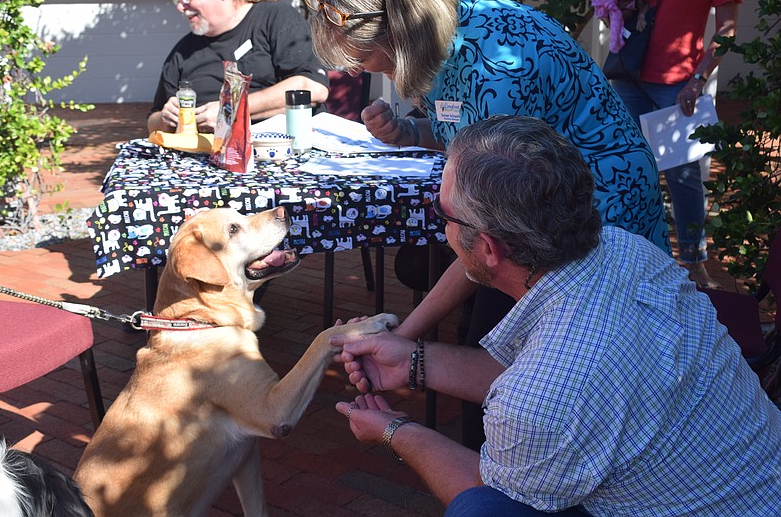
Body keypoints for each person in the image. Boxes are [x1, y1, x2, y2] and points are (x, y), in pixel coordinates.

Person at [304, 0, 671, 450]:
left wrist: (404, 335)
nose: (359, 70)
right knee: (489, 335)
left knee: (534, 363)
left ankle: (506, 468)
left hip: (598, 217)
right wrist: (409, 130)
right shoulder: (448, 27)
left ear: (398, 36)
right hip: (535, 213)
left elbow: (485, 235)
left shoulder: (499, 67)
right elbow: (459, 127)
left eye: (363, 58)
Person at [332, 115, 781, 516]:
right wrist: (410, 360)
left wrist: (395, 431)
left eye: (442, 213)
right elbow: (542, 381)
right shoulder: (627, 249)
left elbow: (492, 494)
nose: (440, 226)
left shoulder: (538, 407)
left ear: (489, 248)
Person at [610, 0, 741, 289]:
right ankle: (635, 256)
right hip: (630, 77)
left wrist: (698, 81)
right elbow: (625, 4)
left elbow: (727, 29)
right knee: (630, 169)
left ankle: (694, 262)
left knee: (683, 179)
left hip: (679, 86)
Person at [147, 0, 329, 133]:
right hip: (206, 156)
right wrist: (165, 118)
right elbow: (152, 121)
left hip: (282, 149)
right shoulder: (183, 52)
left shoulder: (275, 19)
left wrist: (230, 109)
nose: (180, 7)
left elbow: (313, 87)